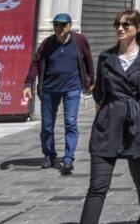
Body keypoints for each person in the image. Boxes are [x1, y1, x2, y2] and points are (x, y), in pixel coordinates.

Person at [80, 10, 140, 224]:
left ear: (138, 28)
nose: (120, 28)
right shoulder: (106, 57)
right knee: (98, 185)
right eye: (117, 24)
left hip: (139, 123)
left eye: (126, 25)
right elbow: (99, 93)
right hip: (108, 124)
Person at [23, 12, 95, 174]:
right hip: (49, 88)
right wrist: (28, 83)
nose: (59, 28)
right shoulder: (47, 43)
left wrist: (91, 80)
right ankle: (49, 155)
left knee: (70, 122)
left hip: (72, 87)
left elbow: (88, 60)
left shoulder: (79, 40)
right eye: (56, 24)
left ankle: (68, 158)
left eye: (62, 25)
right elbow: (35, 62)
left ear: (70, 26)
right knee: (47, 126)